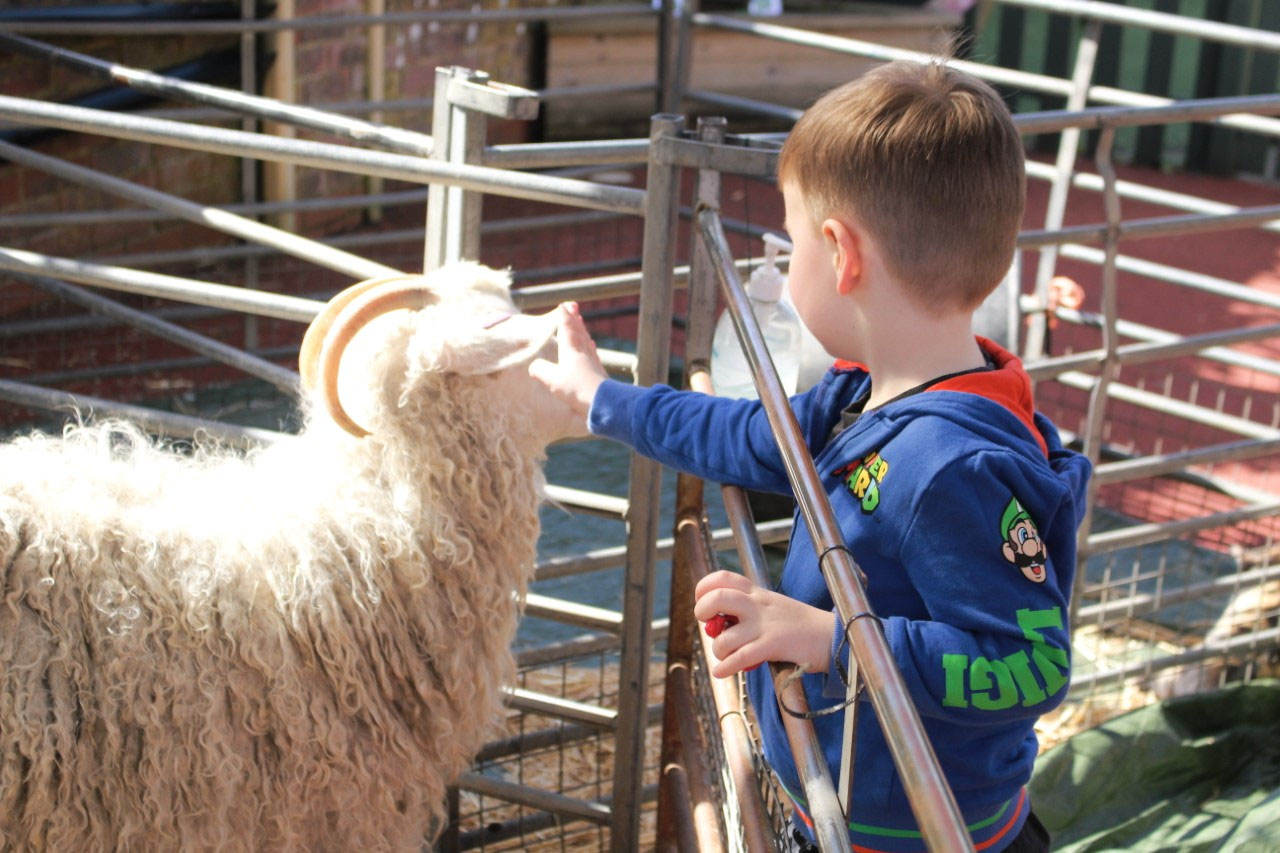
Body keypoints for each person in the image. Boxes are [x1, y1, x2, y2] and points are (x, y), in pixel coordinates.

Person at [530, 59, 1092, 853]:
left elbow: (1030, 663)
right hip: (841, 809)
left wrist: (831, 637)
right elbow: (747, 435)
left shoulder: (952, 466)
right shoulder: (858, 394)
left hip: (920, 839)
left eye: (792, 244)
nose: (789, 268)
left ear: (841, 253)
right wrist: (603, 398)